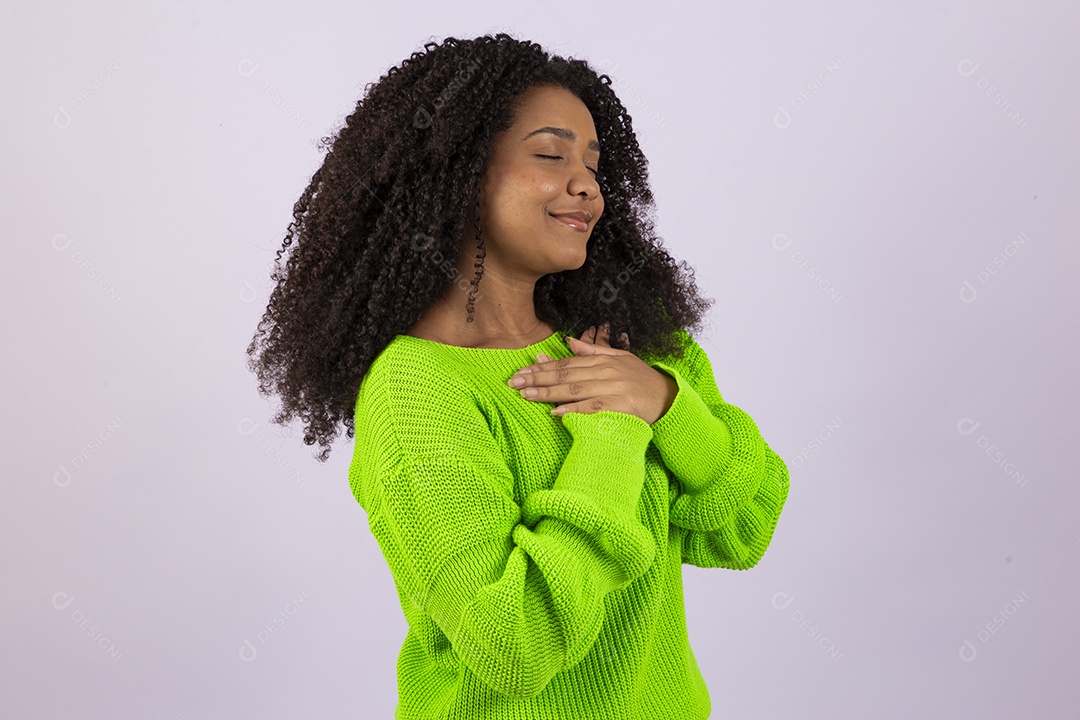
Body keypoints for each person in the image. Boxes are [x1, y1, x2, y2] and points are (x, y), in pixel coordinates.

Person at [247, 32, 790, 720]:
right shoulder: (417, 389)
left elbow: (745, 528)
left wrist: (666, 404)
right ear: (459, 173)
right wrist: (613, 436)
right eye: (549, 155)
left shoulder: (632, 340)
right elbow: (513, 648)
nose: (586, 185)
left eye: (593, 164)